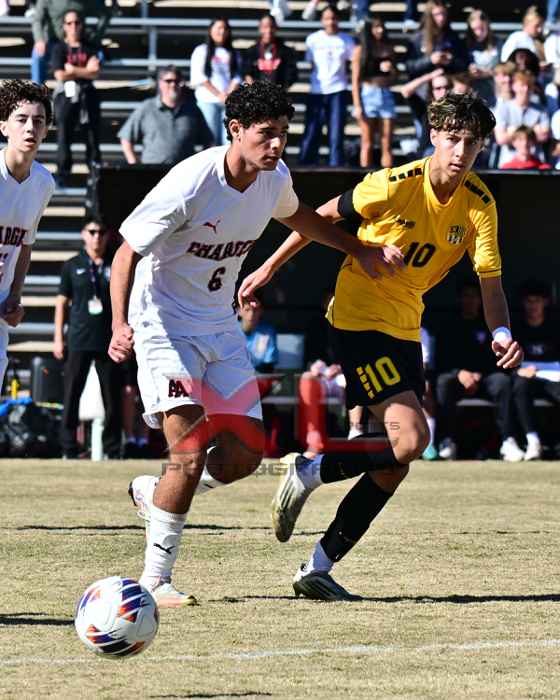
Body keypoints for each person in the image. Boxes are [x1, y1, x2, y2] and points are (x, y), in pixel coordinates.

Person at [108, 80, 393, 608]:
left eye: (284, 132)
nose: (277, 144)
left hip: (219, 324)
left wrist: (359, 249)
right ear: (235, 129)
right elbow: (125, 253)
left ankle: (154, 493)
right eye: (266, 133)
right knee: (189, 451)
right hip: (164, 325)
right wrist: (119, 323)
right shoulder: (191, 182)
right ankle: (154, 581)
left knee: (244, 454)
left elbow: (301, 217)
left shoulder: (273, 177)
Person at [238, 92, 524, 600]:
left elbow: (491, 284)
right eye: (453, 139)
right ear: (433, 137)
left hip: (405, 328)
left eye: (472, 143)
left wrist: (501, 332)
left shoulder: (480, 204)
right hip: (357, 319)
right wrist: (267, 268)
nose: (461, 151)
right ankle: (310, 470)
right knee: (412, 439)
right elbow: (319, 216)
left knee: (393, 464)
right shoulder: (394, 184)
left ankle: (316, 567)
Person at [0, 80, 54, 390]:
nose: (30, 127)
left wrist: (15, 296)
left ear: (46, 131)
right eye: (21, 119)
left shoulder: (44, 183)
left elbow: (25, 244)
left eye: (39, 121)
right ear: (4, 127)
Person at [54, 218, 123, 459]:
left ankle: (113, 449)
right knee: (72, 393)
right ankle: (68, 448)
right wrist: (58, 338)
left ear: (107, 236)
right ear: (84, 234)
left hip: (107, 340)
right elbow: (61, 302)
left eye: (101, 232)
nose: (97, 237)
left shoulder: (115, 263)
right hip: (79, 339)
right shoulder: (72, 265)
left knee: (112, 396)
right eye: (92, 232)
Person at [434, 281, 521, 462]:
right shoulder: (448, 325)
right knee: (443, 382)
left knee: (502, 382)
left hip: (485, 377)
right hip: (457, 378)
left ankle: (508, 441)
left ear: (481, 300)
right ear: (460, 299)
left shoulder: (490, 324)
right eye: (466, 296)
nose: (470, 300)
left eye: (474, 296)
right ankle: (446, 441)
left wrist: (479, 375)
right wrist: (459, 373)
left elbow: (497, 358)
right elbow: (441, 360)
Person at [118, 65, 213, 166]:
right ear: (160, 83)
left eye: (177, 81)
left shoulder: (192, 110)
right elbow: (126, 138)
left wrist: (202, 166)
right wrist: (134, 165)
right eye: (168, 81)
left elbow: (209, 141)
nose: (173, 84)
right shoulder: (146, 108)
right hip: (152, 171)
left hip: (184, 172)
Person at [298, 5, 355, 167]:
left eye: (334, 18)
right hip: (317, 91)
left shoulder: (347, 40)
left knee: (336, 134)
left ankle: (336, 168)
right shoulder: (313, 39)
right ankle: (306, 168)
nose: (331, 22)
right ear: (322, 20)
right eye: (327, 18)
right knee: (312, 131)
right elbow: (311, 64)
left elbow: (352, 64)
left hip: (339, 90)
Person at [51, 10, 102, 188]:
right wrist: (85, 71)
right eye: (69, 23)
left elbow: (95, 72)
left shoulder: (90, 47)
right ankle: (63, 174)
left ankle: (95, 174)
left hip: (87, 95)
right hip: (66, 96)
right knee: (64, 136)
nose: (73, 26)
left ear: (82, 25)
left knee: (92, 137)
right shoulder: (59, 48)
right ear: (64, 26)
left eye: (77, 22)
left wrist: (72, 70)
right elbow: (60, 75)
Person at [512, 279, 560, 461]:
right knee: (519, 387)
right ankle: (533, 441)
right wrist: (519, 369)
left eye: (537, 301)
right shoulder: (516, 326)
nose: (533, 306)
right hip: (527, 378)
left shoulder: (555, 325)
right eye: (529, 301)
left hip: (553, 378)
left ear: (545, 302)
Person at [351, 16, 397, 168]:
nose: (380, 30)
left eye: (382, 27)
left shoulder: (388, 48)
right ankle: (365, 176)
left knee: (386, 142)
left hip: (385, 93)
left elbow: (395, 78)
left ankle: (387, 177)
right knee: (367, 142)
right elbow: (355, 80)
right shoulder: (360, 50)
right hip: (368, 93)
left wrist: (391, 69)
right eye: (376, 27)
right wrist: (357, 105)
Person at [31, 0, 112, 85]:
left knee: (99, 56)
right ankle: (36, 90)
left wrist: (96, 36)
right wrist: (39, 39)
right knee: (38, 54)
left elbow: (105, 14)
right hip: (55, 42)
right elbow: (37, 20)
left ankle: (84, 87)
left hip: (80, 43)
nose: (73, 25)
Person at [189, 18, 242, 146]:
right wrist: (218, 94)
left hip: (229, 102)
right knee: (210, 140)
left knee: (228, 141)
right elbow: (200, 76)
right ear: (210, 30)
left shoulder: (234, 53)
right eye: (218, 28)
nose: (222, 32)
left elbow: (237, 76)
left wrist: (228, 94)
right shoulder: (201, 50)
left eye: (225, 28)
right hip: (207, 101)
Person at [494, 70, 550, 167]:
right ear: (514, 86)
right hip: (508, 162)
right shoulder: (503, 108)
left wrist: (512, 131)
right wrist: (533, 130)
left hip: (535, 163)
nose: (526, 89)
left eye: (529, 86)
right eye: (522, 85)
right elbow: (500, 138)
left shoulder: (541, 110)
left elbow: (544, 137)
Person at [405, 0, 469, 80]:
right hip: (423, 81)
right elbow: (409, 67)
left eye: (443, 14)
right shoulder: (418, 38)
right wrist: (430, 60)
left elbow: (464, 65)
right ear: (430, 16)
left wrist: (451, 60)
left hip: (448, 80)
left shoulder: (453, 37)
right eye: (437, 14)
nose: (441, 18)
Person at [243, 14, 298, 89]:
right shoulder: (251, 51)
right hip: (257, 94)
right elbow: (247, 73)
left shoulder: (286, 52)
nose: (268, 30)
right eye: (265, 27)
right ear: (260, 28)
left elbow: (291, 75)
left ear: (276, 28)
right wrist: (254, 91)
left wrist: (280, 90)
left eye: (271, 27)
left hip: (278, 94)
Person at [466, 9, 501, 107]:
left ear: (487, 25)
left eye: (481, 28)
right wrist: (469, 71)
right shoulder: (465, 44)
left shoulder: (497, 43)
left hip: (493, 89)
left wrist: (486, 73)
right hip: (472, 90)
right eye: (475, 29)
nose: (478, 33)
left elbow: (505, 66)